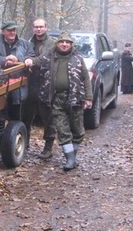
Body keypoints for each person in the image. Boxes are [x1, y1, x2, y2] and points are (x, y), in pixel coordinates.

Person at [31, 32, 92, 170]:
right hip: (56, 99)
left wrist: (89, 97)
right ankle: (69, 160)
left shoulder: (78, 58)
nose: (64, 44)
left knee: (78, 130)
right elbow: (37, 61)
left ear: (71, 44)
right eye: (61, 42)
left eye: (67, 42)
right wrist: (28, 61)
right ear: (57, 43)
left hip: (75, 98)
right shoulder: (49, 56)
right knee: (62, 129)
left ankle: (73, 156)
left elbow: (86, 78)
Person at [22, 18, 57, 158]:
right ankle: (24, 144)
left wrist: (31, 62)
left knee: (48, 116)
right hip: (30, 83)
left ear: (46, 27)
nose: (38, 29)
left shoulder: (52, 43)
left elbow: (46, 58)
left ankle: (48, 147)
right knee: (26, 115)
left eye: (41, 27)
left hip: (46, 83)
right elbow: (23, 56)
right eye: (36, 27)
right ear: (33, 28)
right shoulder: (28, 43)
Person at [0, 21, 33, 120]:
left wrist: (25, 60)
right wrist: (5, 60)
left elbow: (31, 55)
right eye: (9, 30)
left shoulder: (25, 44)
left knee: (17, 108)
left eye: (14, 30)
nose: (12, 33)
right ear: (3, 31)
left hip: (19, 80)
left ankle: (16, 129)